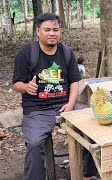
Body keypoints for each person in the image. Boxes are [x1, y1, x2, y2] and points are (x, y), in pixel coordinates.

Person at [12, 13, 97, 180]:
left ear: (60, 31)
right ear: (38, 31)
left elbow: (74, 81)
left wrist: (71, 103)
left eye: (55, 30)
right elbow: (16, 84)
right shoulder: (27, 53)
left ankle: (88, 173)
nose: (52, 33)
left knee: (93, 129)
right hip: (37, 109)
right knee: (35, 144)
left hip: (65, 104)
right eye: (47, 30)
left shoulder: (66, 52)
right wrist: (26, 86)